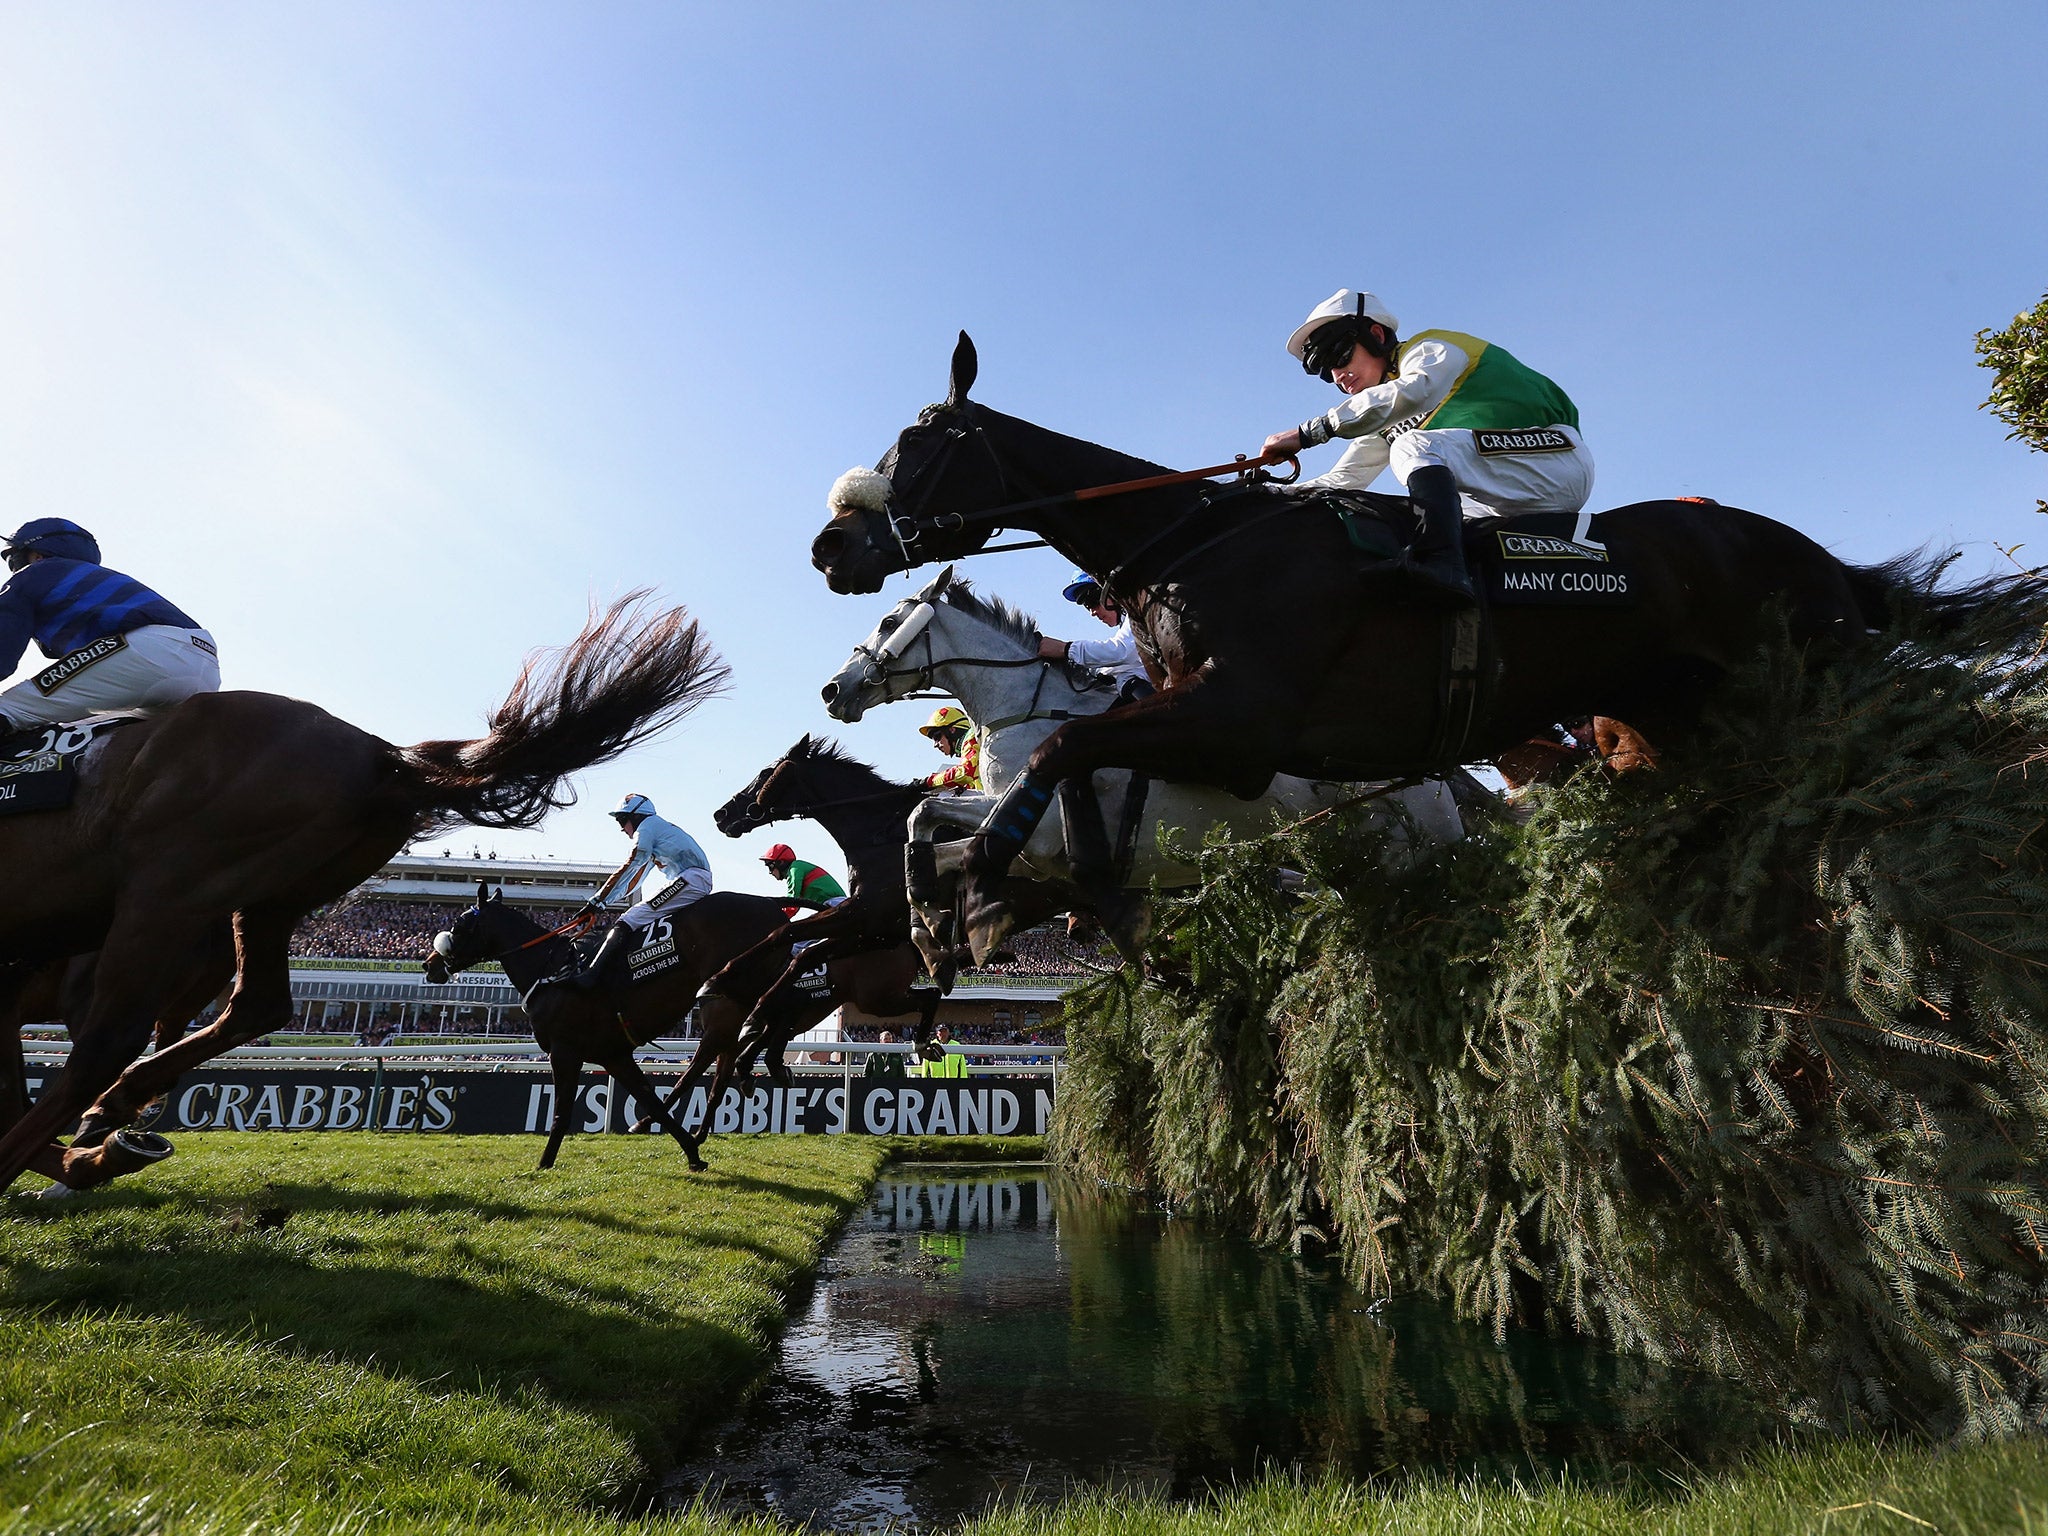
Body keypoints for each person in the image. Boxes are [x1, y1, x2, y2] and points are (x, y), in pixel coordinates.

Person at [1262, 290, 1593, 605]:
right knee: (1418, 521)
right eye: (1325, 372)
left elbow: (1416, 390)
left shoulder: (1430, 349)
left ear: (1376, 335)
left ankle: (1439, 565)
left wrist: (1311, 432)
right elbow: (1345, 480)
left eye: (1338, 355)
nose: (1337, 376)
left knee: (1410, 447)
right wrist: (1266, 496)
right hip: (1506, 494)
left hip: (1555, 457)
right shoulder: (1386, 415)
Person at [0, 519, 220, 735]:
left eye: (14, 559)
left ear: (36, 555)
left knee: (8, 709)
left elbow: (4, 644)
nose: (13, 568)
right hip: (206, 665)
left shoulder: (33, 574)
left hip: (148, 654)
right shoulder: (93, 579)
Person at [549, 792, 713, 999]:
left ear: (635, 817)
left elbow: (630, 866)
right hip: (691, 878)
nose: (621, 828)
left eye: (621, 820)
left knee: (630, 918)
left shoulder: (646, 828)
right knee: (634, 916)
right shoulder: (656, 830)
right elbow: (636, 879)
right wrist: (602, 904)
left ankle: (590, 976)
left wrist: (597, 901)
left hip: (691, 879)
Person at [1037, 573, 1153, 704]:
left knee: (1127, 679)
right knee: (1125, 679)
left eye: (1093, 601)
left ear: (1112, 592)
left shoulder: (1136, 613)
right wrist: (1101, 670)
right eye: (1087, 606)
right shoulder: (1126, 622)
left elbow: (1120, 651)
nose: (1092, 612)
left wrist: (1067, 649)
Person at [761, 843, 847, 911]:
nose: (770, 872)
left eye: (770, 866)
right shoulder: (797, 867)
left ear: (781, 862)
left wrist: (776, 920)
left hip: (835, 903)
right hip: (831, 905)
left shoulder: (795, 868)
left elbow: (792, 902)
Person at [918, 705, 981, 791]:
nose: (935, 745)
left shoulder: (971, 738)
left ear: (952, 730)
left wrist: (929, 782)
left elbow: (966, 772)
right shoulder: (967, 747)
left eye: (937, 738)